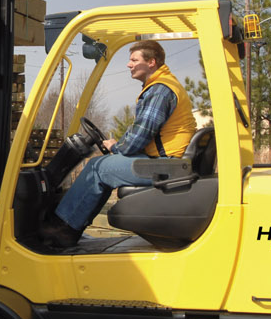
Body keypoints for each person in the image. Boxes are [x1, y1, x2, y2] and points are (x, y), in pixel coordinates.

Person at [39, 40, 196, 249]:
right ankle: (73, 224)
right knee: (105, 165)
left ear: (151, 62)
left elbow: (141, 135)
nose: (129, 65)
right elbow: (142, 133)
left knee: (98, 168)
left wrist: (116, 148)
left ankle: (62, 229)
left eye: (134, 60)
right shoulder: (163, 85)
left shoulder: (160, 90)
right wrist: (117, 147)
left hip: (165, 165)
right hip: (168, 162)